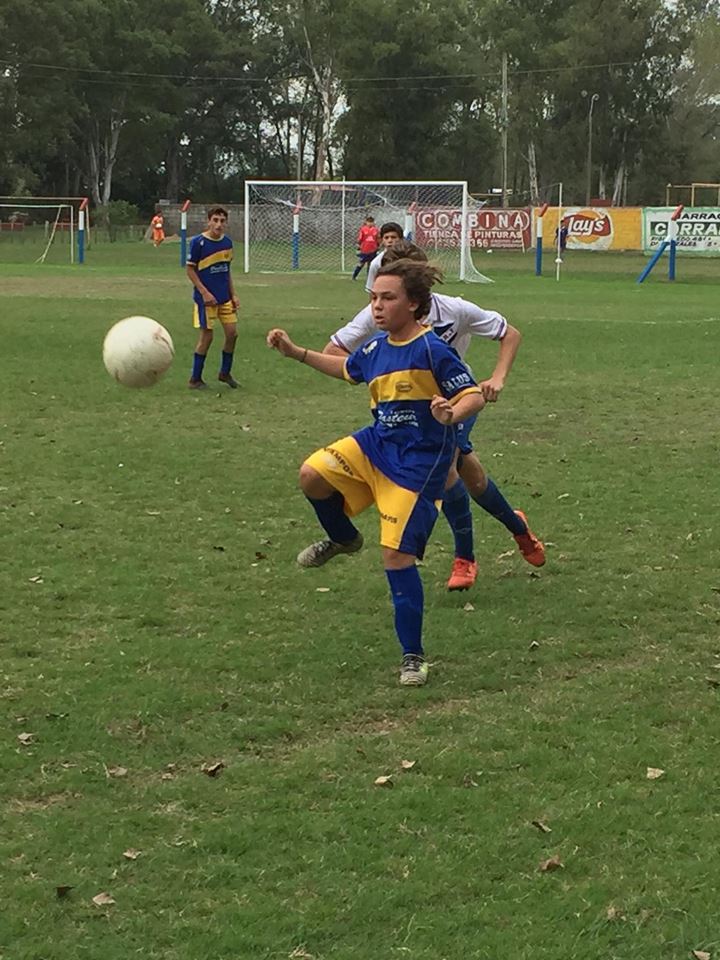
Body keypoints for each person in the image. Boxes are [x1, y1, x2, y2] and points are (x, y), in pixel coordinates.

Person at [267, 259, 485, 686]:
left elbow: (473, 395)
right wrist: (296, 353)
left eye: (388, 298)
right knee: (311, 474)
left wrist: (450, 412)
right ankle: (344, 539)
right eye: (373, 298)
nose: (377, 306)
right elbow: (346, 368)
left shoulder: (431, 349)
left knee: (396, 557)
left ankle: (412, 656)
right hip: (377, 444)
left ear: (415, 304)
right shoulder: (376, 347)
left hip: (418, 465)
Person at [323, 240, 545, 591]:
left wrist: (497, 378)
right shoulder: (379, 311)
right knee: (469, 477)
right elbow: (334, 350)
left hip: (458, 400)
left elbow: (509, 333)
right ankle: (517, 526)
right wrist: (366, 370)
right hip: (410, 413)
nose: (381, 300)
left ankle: (466, 559)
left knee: (447, 471)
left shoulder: (454, 310)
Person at [186, 206, 240, 390]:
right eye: (215, 220)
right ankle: (195, 379)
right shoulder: (198, 243)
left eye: (222, 221)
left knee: (232, 334)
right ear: (208, 221)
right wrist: (204, 292)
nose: (218, 224)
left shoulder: (227, 243)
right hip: (205, 300)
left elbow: (227, 271)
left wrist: (233, 294)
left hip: (224, 298)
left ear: (226, 223)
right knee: (207, 337)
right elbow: (190, 269)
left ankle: (225, 373)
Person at [364, 221, 404, 295]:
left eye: (393, 237)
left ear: (401, 239)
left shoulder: (408, 259)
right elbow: (371, 291)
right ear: (382, 240)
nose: (390, 240)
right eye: (386, 238)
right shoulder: (376, 264)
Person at [351, 215, 380, 280]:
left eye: (371, 222)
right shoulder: (363, 229)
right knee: (361, 263)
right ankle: (354, 276)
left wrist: (378, 246)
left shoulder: (376, 230)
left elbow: (378, 239)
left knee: (371, 264)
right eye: (369, 222)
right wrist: (358, 246)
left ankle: (369, 277)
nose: (370, 223)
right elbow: (360, 238)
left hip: (373, 249)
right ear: (366, 222)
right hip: (364, 249)